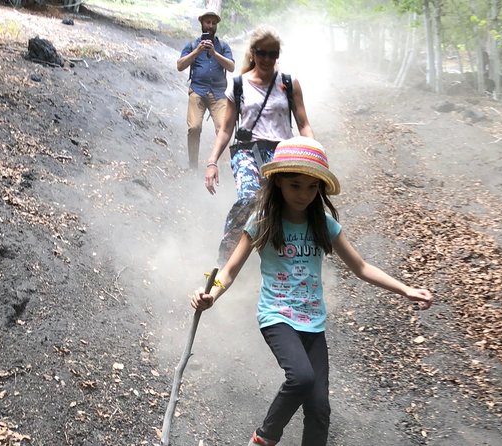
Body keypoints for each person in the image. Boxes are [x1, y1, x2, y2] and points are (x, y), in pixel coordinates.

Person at [192, 136, 434, 446]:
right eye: (295, 184)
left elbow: (361, 267)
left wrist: (405, 289)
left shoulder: (324, 223)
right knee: (302, 378)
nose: (304, 194)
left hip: (313, 323)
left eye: (312, 187)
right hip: (277, 316)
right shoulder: (263, 221)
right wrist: (210, 293)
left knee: (320, 409)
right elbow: (229, 269)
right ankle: (264, 439)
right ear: (278, 182)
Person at [202, 25, 314, 265]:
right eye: (262, 53)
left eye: (273, 54)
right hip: (247, 151)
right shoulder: (239, 84)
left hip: (283, 151)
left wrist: (314, 154)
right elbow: (226, 128)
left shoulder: (288, 82)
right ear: (252, 52)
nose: (267, 59)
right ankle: (226, 262)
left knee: (286, 203)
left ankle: (283, 256)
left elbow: (303, 124)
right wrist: (212, 162)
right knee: (250, 197)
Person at [177, 11, 235, 169]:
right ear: (201, 23)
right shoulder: (192, 44)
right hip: (198, 90)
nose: (210, 26)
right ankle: (193, 165)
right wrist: (197, 51)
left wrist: (214, 53)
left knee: (223, 128)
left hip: (219, 93)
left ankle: (219, 165)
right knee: (194, 127)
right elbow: (180, 66)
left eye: (213, 23)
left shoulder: (223, 46)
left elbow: (231, 67)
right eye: (207, 22)